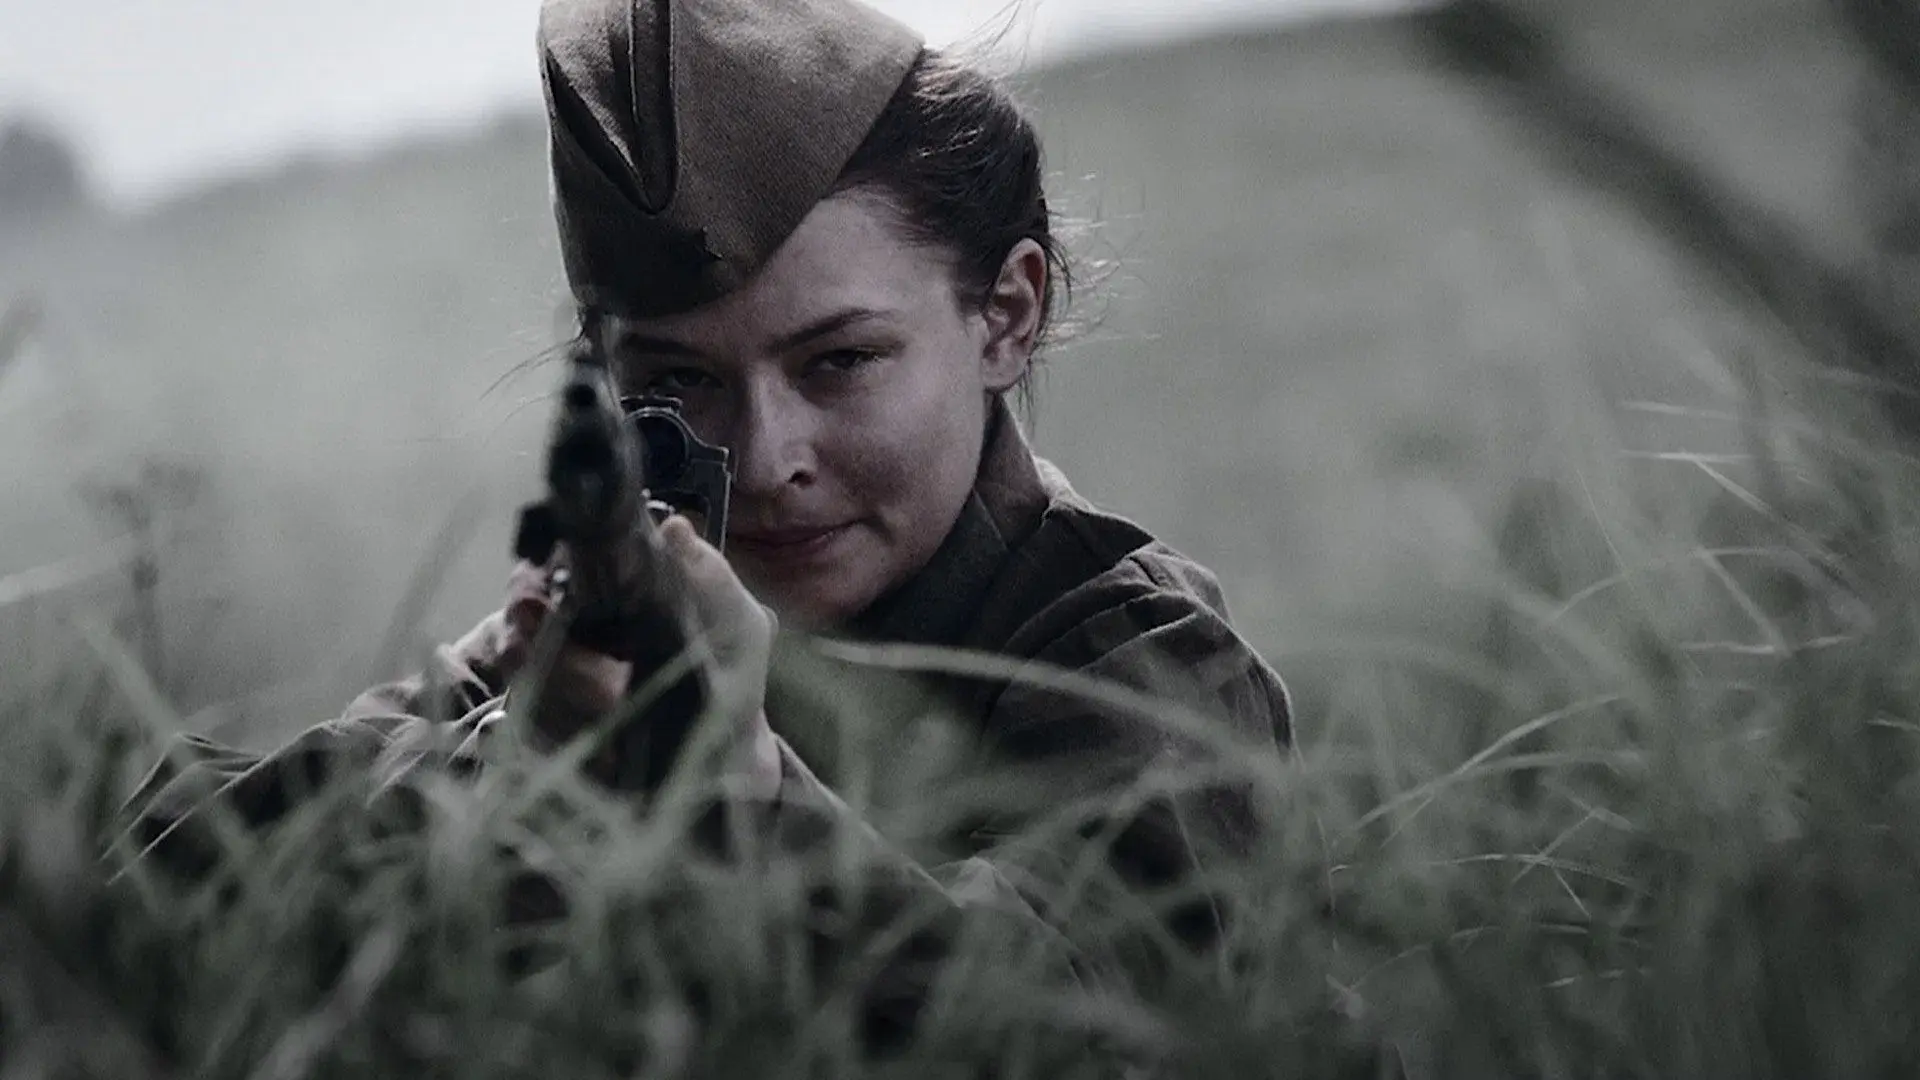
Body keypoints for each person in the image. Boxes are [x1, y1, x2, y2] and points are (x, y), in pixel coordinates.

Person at [124, 0, 1291, 1050]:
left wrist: (731, 782)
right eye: (681, 383)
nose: (768, 459)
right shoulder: (605, 643)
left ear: (1005, 314)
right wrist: (510, 761)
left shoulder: (1141, 661)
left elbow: (1067, 1030)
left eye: (840, 361)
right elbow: (150, 895)